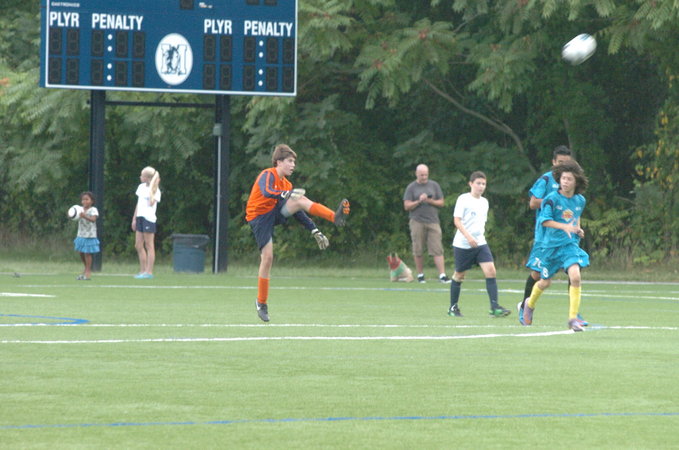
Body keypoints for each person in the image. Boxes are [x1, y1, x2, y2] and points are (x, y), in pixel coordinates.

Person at [246, 144, 350, 322]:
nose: (293, 165)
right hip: (259, 218)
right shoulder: (268, 174)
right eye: (289, 161)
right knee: (268, 258)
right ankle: (261, 303)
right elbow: (266, 191)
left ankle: (335, 217)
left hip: (274, 213)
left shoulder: (287, 184)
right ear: (278, 162)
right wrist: (285, 194)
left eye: (294, 162)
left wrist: (314, 229)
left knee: (299, 200)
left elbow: (298, 212)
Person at [518, 145, 587, 326]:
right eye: (563, 177)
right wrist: (564, 226)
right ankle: (528, 304)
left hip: (569, 245)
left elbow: (575, 215)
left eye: (569, 178)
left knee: (575, 276)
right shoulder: (550, 194)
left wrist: (577, 228)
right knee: (542, 280)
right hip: (548, 243)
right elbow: (541, 215)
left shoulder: (580, 200)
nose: (565, 181)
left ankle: (573, 317)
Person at [447, 171, 510, 318]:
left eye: (483, 184)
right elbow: (457, 221)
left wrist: (477, 237)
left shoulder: (484, 202)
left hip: (480, 243)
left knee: (491, 271)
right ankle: (453, 307)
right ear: (471, 184)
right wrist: (468, 237)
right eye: (478, 183)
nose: (481, 186)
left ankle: (494, 307)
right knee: (459, 275)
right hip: (463, 244)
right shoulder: (463, 199)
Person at [403, 164, 451, 283]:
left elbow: (441, 203)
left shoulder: (434, 185)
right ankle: (420, 275)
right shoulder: (411, 187)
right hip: (417, 221)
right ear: (416, 174)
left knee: (437, 248)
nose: (424, 177)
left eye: (426, 175)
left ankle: (442, 275)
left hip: (433, 221)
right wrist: (419, 201)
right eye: (421, 175)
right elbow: (407, 206)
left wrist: (429, 200)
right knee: (418, 248)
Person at [131, 166, 161, 279]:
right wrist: (134, 219)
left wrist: (152, 189)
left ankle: (149, 272)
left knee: (149, 245)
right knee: (138, 245)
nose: (140, 177)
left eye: (142, 175)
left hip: (149, 219)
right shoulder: (141, 187)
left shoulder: (156, 190)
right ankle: (142, 270)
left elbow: (151, 203)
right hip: (140, 217)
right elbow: (139, 204)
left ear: (147, 178)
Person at [73, 191, 100, 280]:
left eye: (87, 199)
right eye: (83, 199)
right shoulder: (79, 209)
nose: (84, 201)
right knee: (81, 252)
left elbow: (93, 219)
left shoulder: (93, 209)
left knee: (87, 253)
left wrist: (84, 216)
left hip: (90, 235)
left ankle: (88, 271)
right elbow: (72, 215)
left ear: (92, 201)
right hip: (81, 234)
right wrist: (71, 214)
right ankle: (86, 268)